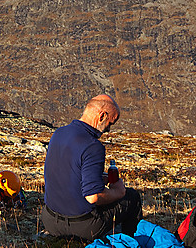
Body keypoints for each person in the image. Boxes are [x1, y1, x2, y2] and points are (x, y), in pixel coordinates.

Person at [41, 94, 142, 240]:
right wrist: (117, 192)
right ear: (101, 116)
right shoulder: (92, 146)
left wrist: (99, 179)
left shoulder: (58, 133)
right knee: (132, 197)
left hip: (50, 220)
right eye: (110, 123)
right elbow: (92, 197)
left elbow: (67, 171)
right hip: (82, 227)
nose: (108, 130)